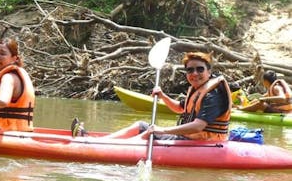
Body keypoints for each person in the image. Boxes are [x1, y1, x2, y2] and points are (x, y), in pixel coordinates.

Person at [73, 52, 232, 141]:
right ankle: (99, 141)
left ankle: (98, 145)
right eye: (190, 70)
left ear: (209, 72)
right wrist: (162, 96)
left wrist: (162, 130)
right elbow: (179, 108)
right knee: (142, 125)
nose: (194, 74)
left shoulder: (213, 95)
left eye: (199, 69)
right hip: (191, 137)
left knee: (149, 132)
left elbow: (198, 126)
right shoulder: (197, 89)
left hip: (203, 142)